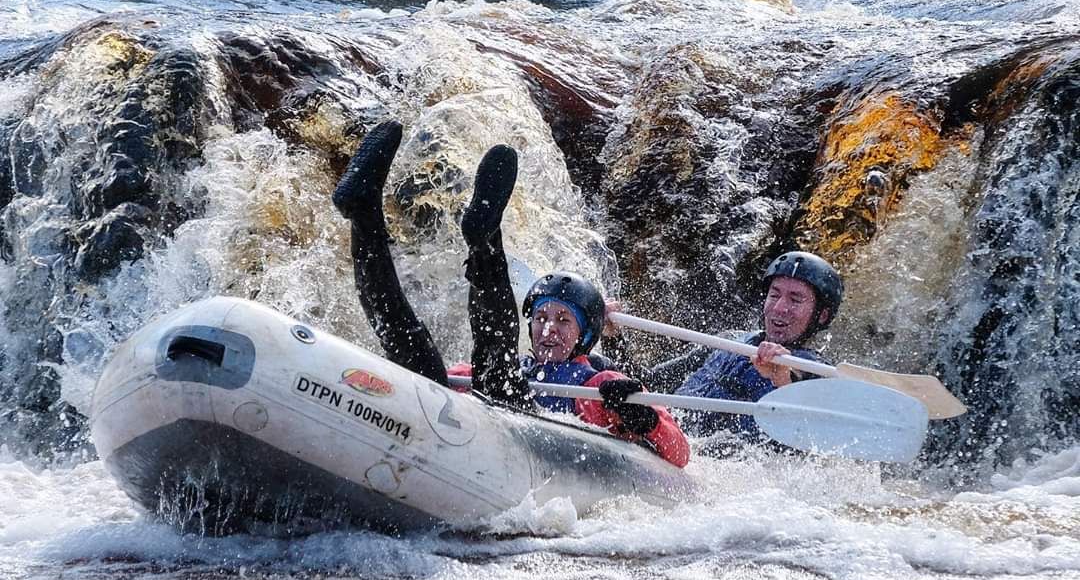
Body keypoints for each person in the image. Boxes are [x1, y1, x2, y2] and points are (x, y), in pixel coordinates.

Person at [332, 120, 690, 468]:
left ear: (586, 336)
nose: (548, 330)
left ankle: (486, 240)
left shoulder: (602, 384)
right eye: (540, 318)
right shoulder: (521, 367)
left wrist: (643, 418)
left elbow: (680, 452)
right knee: (414, 353)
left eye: (564, 320)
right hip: (494, 416)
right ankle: (365, 216)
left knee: (496, 363)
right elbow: (441, 379)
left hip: (531, 437)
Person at [645, 251, 843, 450]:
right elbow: (647, 382)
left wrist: (783, 381)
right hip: (662, 440)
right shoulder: (729, 342)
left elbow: (811, 439)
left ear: (822, 315)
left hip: (723, 464)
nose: (780, 307)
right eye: (774, 295)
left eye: (795, 300)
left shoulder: (818, 374)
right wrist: (613, 336)